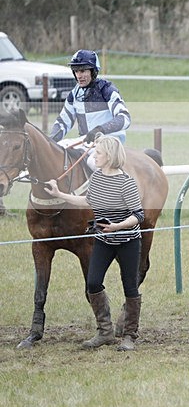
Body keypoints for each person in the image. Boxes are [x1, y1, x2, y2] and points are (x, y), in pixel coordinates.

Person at [43, 135, 145, 350]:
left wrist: (117, 227)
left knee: (130, 285)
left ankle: (130, 335)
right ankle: (105, 332)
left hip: (127, 241)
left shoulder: (126, 182)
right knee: (93, 283)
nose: (94, 156)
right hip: (103, 239)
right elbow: (88, 200)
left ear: (109, 156)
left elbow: (138, 215)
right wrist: (60, 194)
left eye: (98, 153)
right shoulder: (97, 177)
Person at [50, 50, 132, 169]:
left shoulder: (107, 89)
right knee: (59, 150)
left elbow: (124, 118)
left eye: (83, 71)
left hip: (110, 142)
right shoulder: (74, 94)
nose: (79, 75)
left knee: (92, 162)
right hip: (87, 142)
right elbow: (63, 122)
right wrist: (50, 140)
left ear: (93, 71)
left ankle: (101, 187)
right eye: (76, 71)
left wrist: (100, 130)